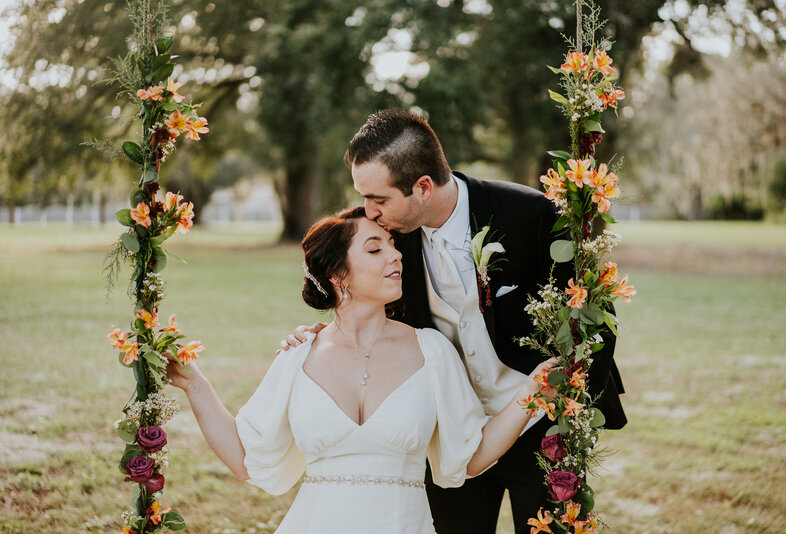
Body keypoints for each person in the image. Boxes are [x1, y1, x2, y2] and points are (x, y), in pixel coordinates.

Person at [282, 109, 627, 534]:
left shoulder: (533, 215)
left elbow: (595, 319)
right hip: (448, 433)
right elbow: (361, 293)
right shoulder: (388, 239)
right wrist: (327, 335)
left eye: (379, 198)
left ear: (423, 187)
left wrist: (568, 411)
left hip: (541, 427)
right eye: (364, 196)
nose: (369, 211)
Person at [166, 206, 557, 534]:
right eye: (375, 249)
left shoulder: (431, 351)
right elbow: (244, 459)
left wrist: (531, 392)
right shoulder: (299, 355)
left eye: (393, 245)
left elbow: (471, 455)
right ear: (338, 275)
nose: (396, 255)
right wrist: (194, 384)